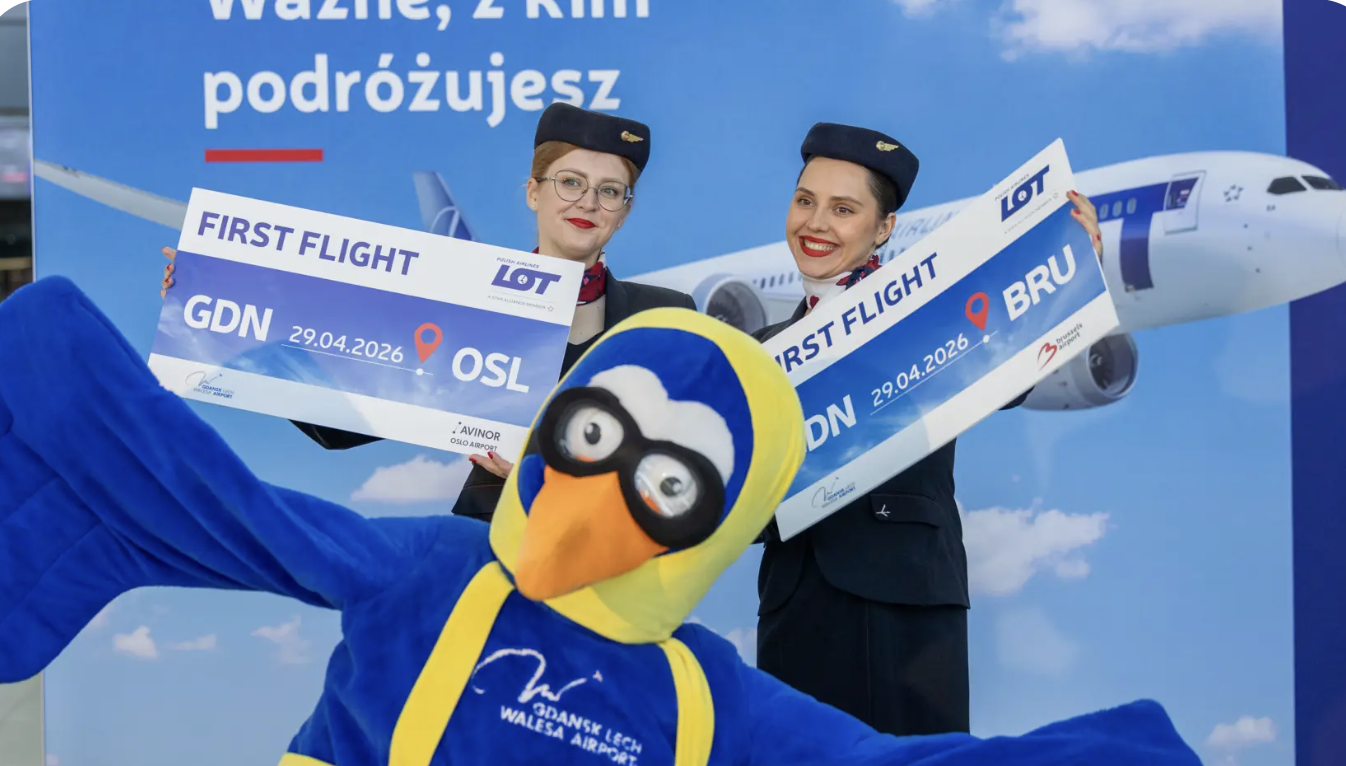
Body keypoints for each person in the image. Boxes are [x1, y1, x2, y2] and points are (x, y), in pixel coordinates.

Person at [0, 275, 1203, 766]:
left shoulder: (705, 697)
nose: (604, 492)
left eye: (673, 485)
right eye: (592, 436)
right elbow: (230, 508)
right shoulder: (431, 567)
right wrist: (70, 378)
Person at [158, 102, 696, 523]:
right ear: (533, 192)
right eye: (570, 182)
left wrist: (548, 474)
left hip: (615, 570)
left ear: (624, 214)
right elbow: (341, 426)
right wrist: (221, 307)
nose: (587, 203)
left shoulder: (670, 319)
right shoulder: (465, 300)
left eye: (610, 192)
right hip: (486, 556)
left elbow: (690, 470)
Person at [751, 122, 1103, 738]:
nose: (816, 223)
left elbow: (1010, 372)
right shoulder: (757, 354)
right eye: (805, 201)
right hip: (796, 604)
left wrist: (1074, 267)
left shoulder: (927, 315)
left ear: (883, 228)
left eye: (843, 208)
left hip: (908, 602)